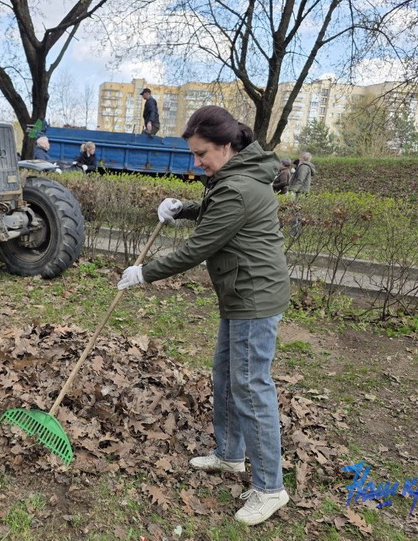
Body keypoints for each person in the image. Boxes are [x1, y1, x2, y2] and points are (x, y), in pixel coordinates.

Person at [117, 105, 291, 526]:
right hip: (239, 292)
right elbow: (216, 213)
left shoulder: (237, 187)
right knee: (225, 375)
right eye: (194, 154)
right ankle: (230, 456)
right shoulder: (235, 175)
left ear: (228, 146)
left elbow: (199, 248)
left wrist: (145, 272)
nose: (197, 163)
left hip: (254, 297)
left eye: (202, 154)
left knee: (251, 387)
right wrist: (184, 209)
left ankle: (270, 488)